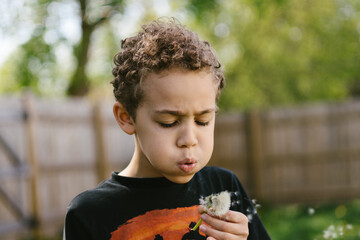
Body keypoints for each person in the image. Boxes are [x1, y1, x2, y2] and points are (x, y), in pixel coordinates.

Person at [64, 18, 271, 240]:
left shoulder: (223, 187)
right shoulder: (89, 213)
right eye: (169, 123)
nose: (189, 140)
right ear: (127, 118)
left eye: (203, 120)